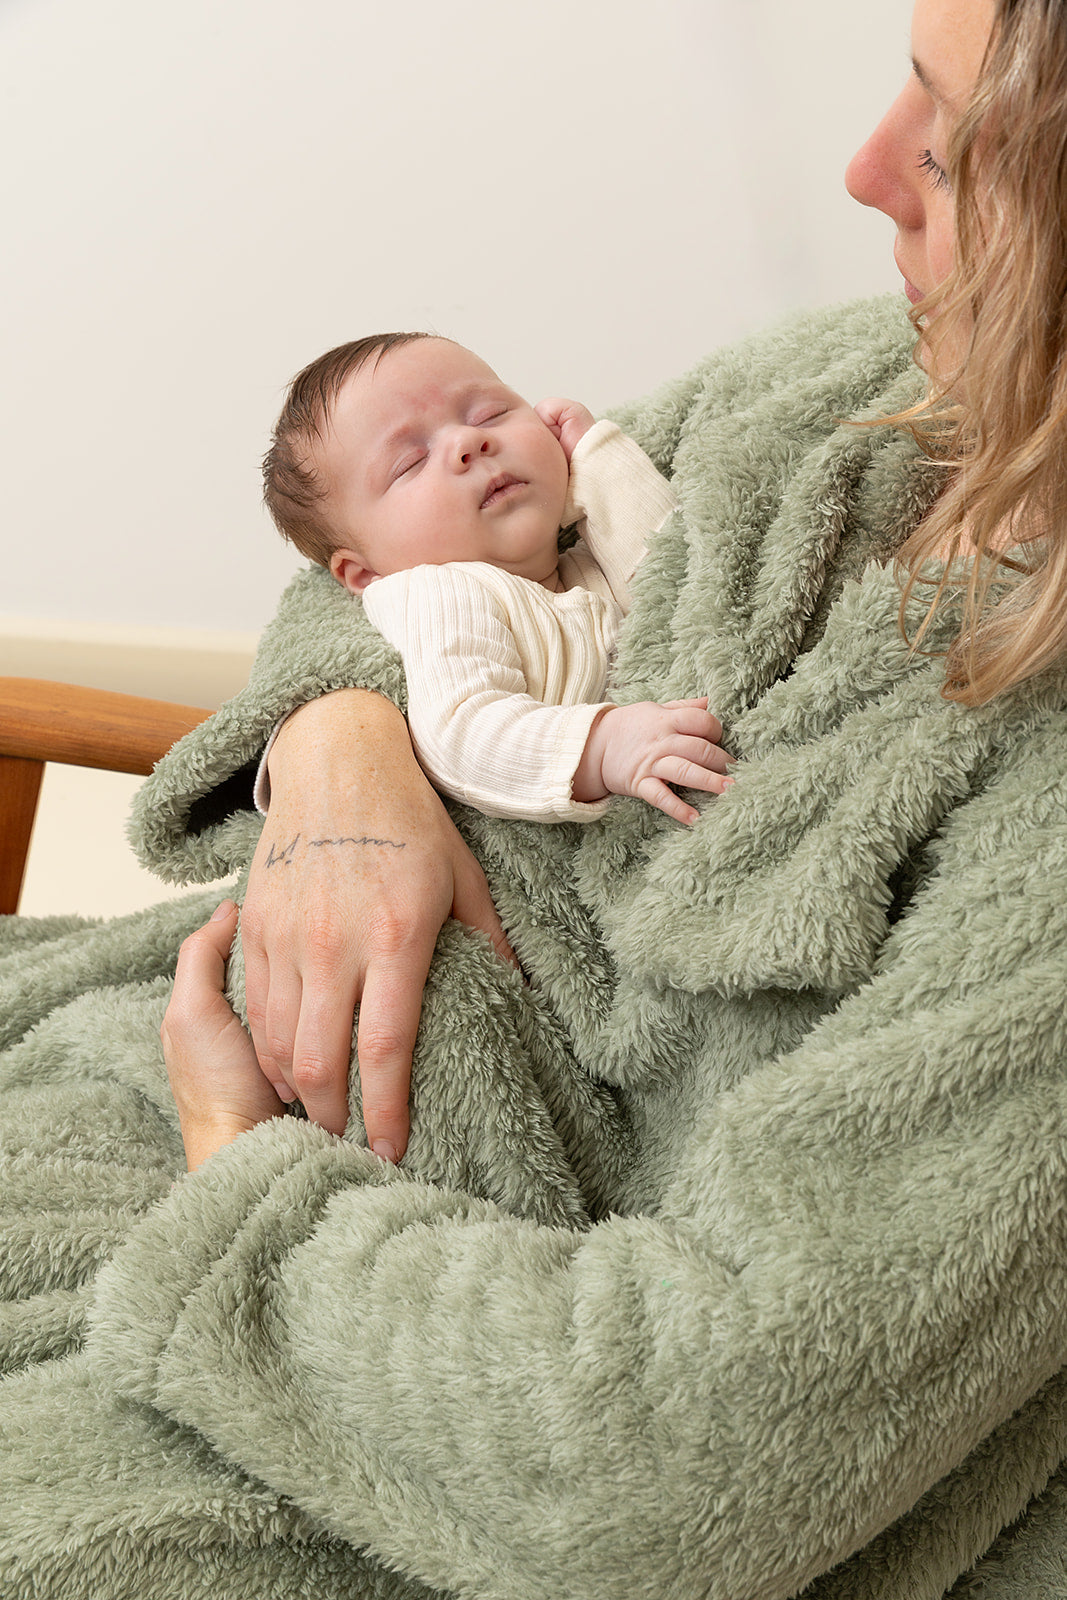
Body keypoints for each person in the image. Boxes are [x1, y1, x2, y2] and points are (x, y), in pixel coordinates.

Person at [6, 2, 1067, 1597]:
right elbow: (391, 580)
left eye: (951, 140)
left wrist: (239, 1177)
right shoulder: (855, 387)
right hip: (184, 1067)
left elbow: (673, 1455)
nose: (861, 174)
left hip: (387, 1289)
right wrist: (350, 749)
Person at [258, 332, 730, 826]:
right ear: (366, 572)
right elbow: (462, 731)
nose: (468, 441)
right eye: (411, 462)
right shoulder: (439, 592)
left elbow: (679, 579)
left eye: (489, 414)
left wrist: (596, 461)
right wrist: (603, 746)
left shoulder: (577, 561)